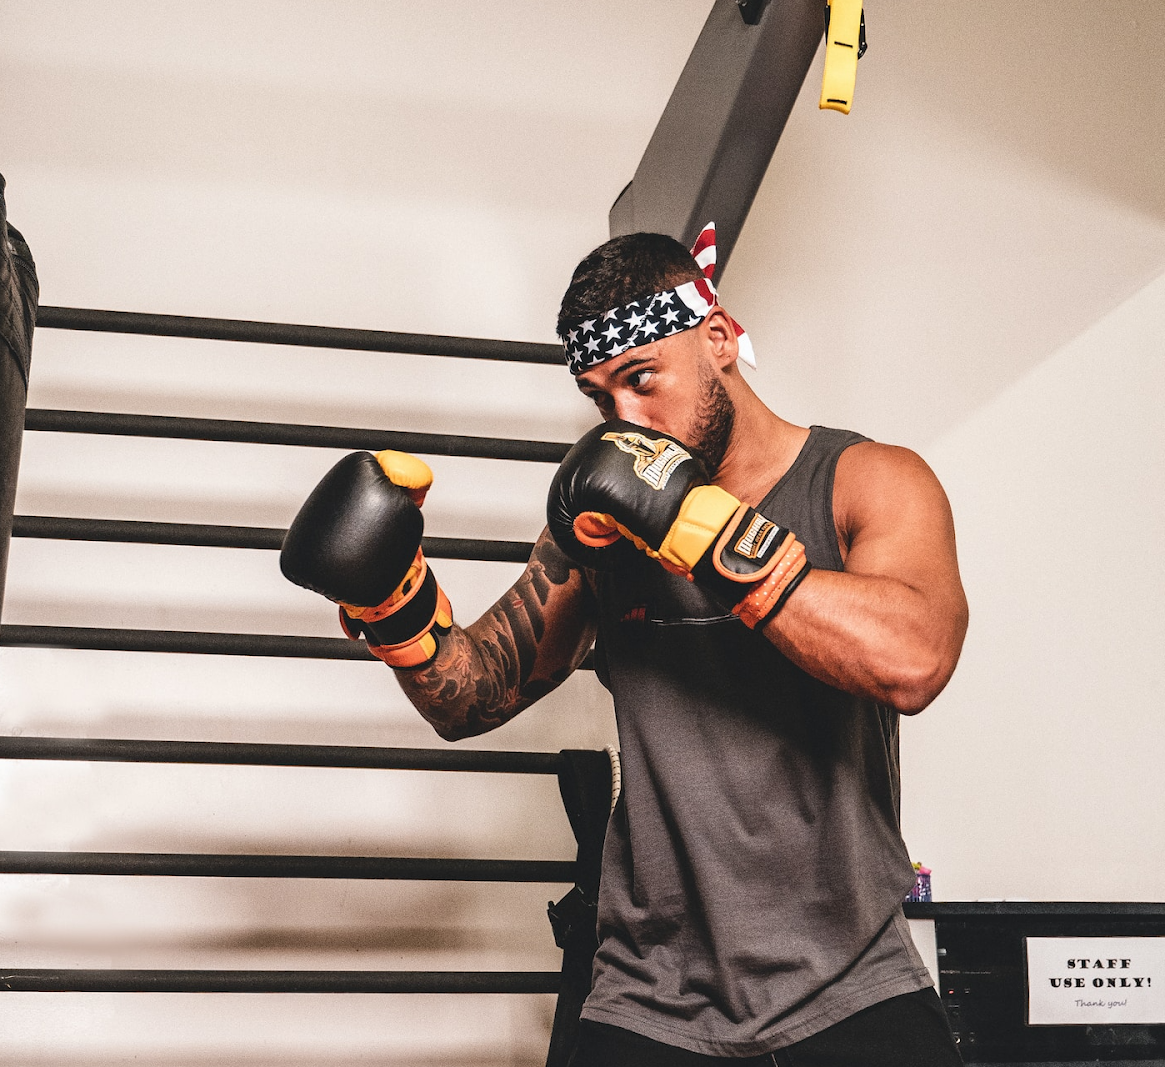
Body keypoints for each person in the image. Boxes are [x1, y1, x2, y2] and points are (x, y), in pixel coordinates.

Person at [280, 231, 969, 1065]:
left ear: (717, 340)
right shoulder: (601, 528)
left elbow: (915, 658)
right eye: (603, 399)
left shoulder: (867, 480)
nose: (629, 420)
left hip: (852, 983)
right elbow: (474, 695)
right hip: (649, 994)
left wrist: (698, 530)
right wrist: (394, 605)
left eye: (644, 379)